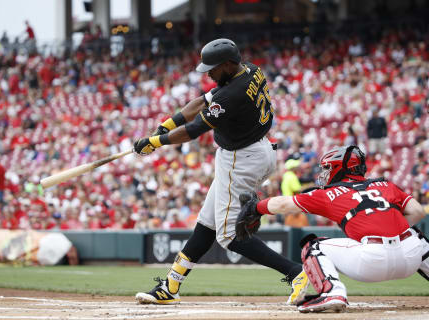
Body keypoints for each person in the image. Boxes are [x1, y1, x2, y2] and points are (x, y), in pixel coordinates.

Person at [133, 38, 308, 305]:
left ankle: (297, 273)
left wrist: (156, 142)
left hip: (242, 158)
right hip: (252, 151)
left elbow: (194, 130)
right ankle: (170, 286)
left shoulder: (231, 95)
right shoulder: (248, 69)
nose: (209, 73)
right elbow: (199, 102)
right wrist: (164, 125)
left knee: (228, 236)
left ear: (227, 64)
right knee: (206, 225)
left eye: (213, 68)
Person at [236, 145, 429, 313]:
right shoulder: (385, 184)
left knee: (313, 246)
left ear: (340, 168)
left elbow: (285, 204)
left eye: (328, 168)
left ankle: (332, 292)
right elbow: (418, 212)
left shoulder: (328, 193)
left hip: (372, 262)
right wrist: (389, 227)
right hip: (410, 258)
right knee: (413, 236)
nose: (324, 172)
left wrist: (256, 207)